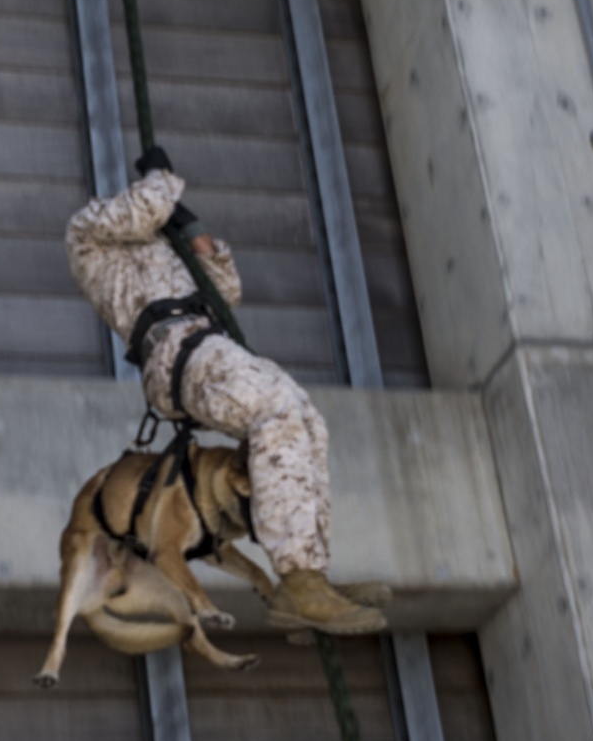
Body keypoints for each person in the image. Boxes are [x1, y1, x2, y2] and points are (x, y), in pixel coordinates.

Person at [65, 146, 386, 636]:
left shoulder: (159, 239)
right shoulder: (89, 233)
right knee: (274, 410)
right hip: (178, 352)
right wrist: (161, 178)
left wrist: (193, 233)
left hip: (207, 344)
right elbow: (146, 206)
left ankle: (311, 574)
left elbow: (226, 290)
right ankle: (298, 580)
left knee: (304, 418)